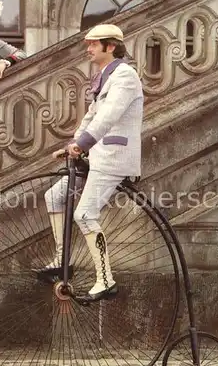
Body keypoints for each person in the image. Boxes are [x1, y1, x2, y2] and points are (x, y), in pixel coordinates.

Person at [41, 23, 144, 304]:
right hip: (94, 155)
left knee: (84, 214)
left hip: (113, 157)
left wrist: (82, 143)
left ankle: (105, 279)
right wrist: (73, 146)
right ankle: (63, 260)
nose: (88, 49)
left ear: (110, 46)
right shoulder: (104, 76)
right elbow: (91, 116)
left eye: (93, 45)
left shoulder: (124, 76)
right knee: (54, 196)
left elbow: (108, 116)